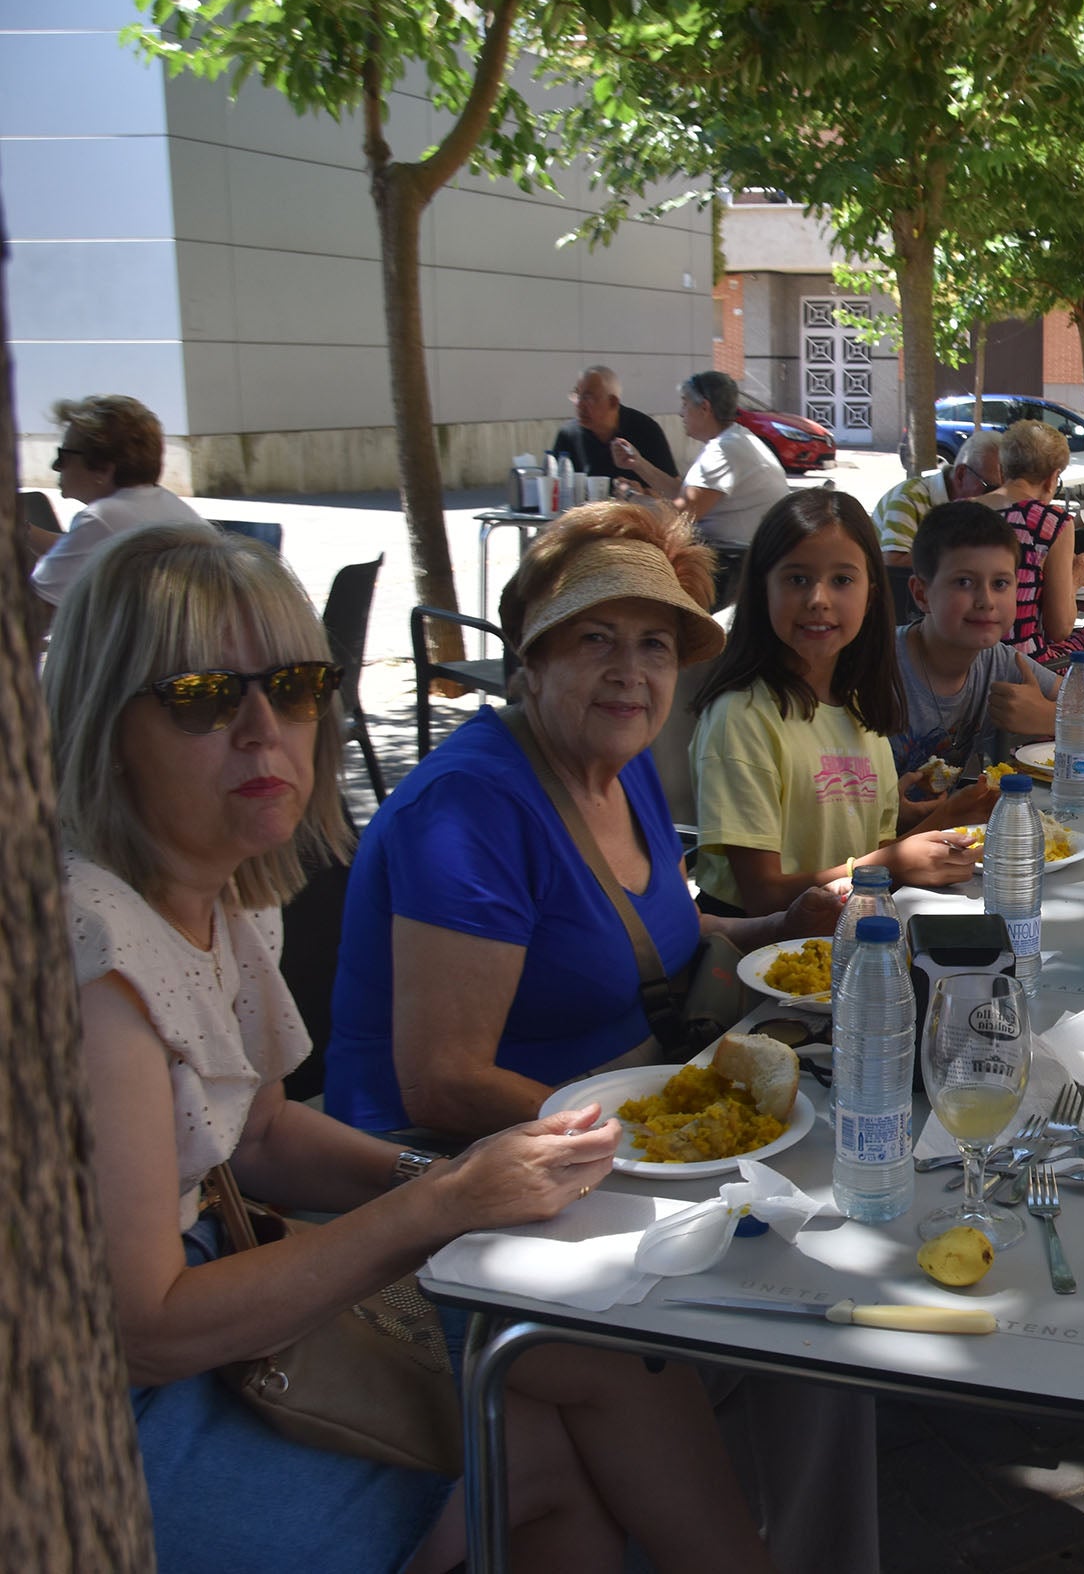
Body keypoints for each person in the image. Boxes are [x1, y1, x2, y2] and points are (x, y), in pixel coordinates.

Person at [51, 523, 779, 1574]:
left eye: (295, 686)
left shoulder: (227, 889)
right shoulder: (94, 957)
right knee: (528, 1460)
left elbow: (255, 1127)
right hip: (112, 1404)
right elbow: (149, 1330)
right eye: (207, 696)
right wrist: (436, 1206)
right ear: (106, 720)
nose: (267, 733)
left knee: (602, 1356)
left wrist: (442, 1181)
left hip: (238, 1264)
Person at [323, 503, 840, 1138]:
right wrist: (650, 1139)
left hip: (616, 1111)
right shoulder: (468, 810)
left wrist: (783, 925)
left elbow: (643, 931)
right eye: (596, 638)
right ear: (532, 663)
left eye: (654, 645)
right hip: (464, 1160)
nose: (629, 672)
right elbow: (444, 1085)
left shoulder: (624, 763)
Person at [692, 490, 979, 919]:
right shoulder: (742, 717)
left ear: (872, 595)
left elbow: (872, 853)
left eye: (842, 580)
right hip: (764, 962)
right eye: (797, 579)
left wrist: (943, 821)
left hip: (850, 946)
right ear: (761, 588)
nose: (818, 600)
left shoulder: (859, 710)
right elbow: (761, 896)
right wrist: (896, 862)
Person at [892, 500, 1084, 777]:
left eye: (1000, 584)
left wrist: (1049, 716)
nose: (986, 601)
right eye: (963, 582)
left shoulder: (998, 662)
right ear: (922, 594)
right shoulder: (877, 667)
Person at [28, 394, 201, 616]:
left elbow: (29, 616)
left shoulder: (102, 518)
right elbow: (79, 551)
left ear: (103, 469)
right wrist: (20, 531)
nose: (55, 465)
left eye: (64, 455)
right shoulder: (164, 504)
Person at [610, 370, 793, 550]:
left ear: (704, 407)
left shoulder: (724, 451)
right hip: (741, 553)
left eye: (685, 403)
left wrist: (630, 497)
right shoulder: (734, 439)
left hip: (734, 561)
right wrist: (637, 464)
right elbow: (685, 494)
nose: (681, 413)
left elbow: (679, 515)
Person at [970, 418, 1082, 666]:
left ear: (1002, 470)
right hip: (1021, 664)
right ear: (1053, 479)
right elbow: (1060, 628)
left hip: (963, 656)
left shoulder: (958, 511)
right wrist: (1074, 581)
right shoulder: (1051, 521)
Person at [877, 430, 1001, 570]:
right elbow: (894, 566)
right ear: (960, 475)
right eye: (992, 489)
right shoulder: (908, 498)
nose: (999, 497)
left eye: (1006, 489)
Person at [549, 364, 676, 489]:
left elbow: (674, 492)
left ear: (613, 402)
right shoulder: (568, 434)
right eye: (577, 395)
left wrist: (642, 493)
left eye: (588, 397)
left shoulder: (646, 429)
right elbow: (554, 488)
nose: (579, 405)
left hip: (634, 508)